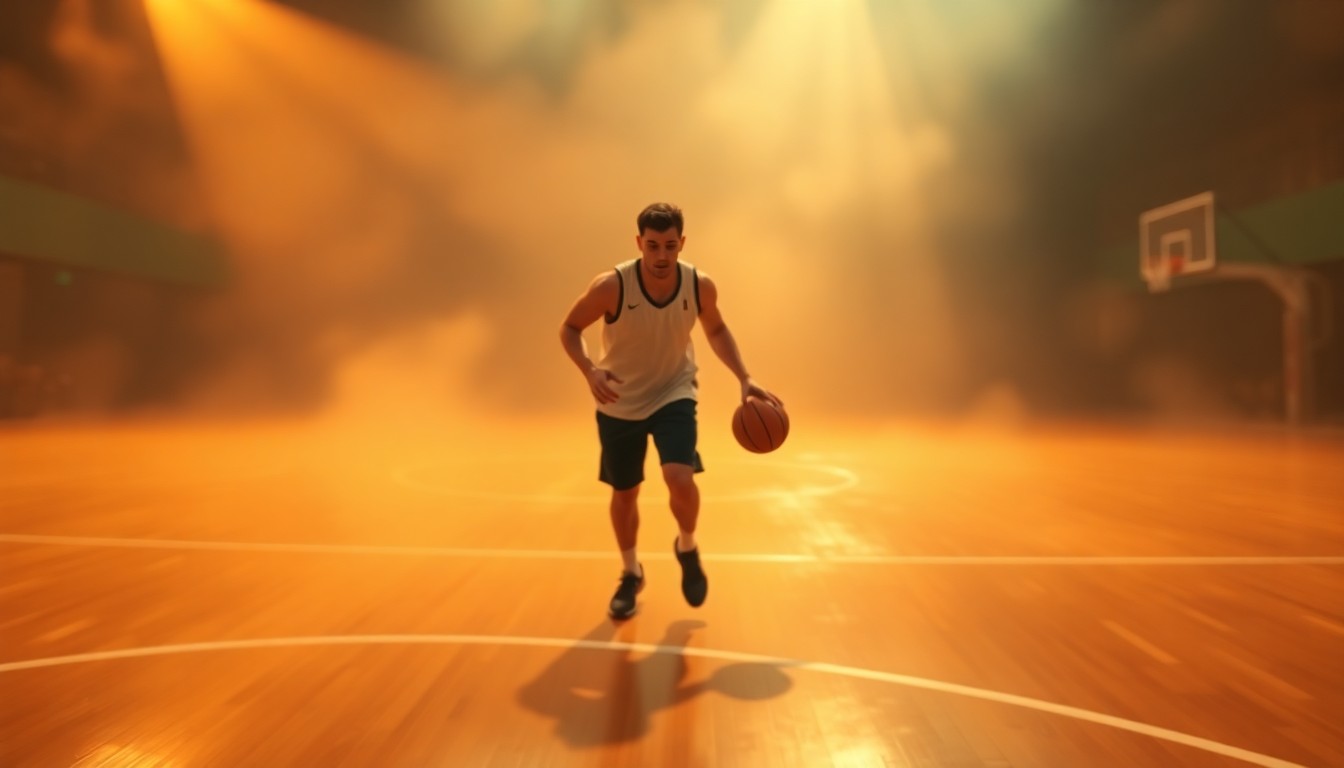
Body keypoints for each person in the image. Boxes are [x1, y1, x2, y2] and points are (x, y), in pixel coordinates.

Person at [559, 202, 783, 619]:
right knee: (625, 494)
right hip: (618, 398)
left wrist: (744, 377)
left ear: (682, 243)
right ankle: (630, 573)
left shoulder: (699, 285)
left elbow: (715, 329)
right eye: (652, 246)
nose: (661, 256)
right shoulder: (612, 286)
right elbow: (569, 328)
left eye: (669, 246)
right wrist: (590, 370)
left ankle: (687, 545)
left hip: (673, 392)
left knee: (679, 477)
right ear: (639, 243)